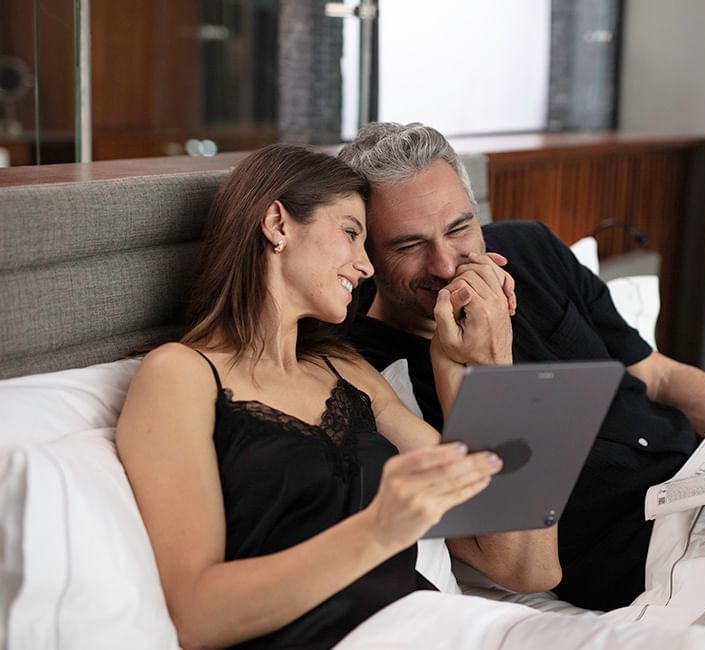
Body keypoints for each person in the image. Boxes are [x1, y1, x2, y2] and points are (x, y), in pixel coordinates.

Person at [338, 122, 705, 611]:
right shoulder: (360, 370)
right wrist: (485, 366)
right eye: (409, 246)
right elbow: (520, 566)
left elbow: (659, 375)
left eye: (460, 229)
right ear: (366, 254)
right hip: (652, 553)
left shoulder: (529, 249)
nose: (447, 265)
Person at [115, 144, 559, 649]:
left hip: (434, 626)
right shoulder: (178, 374)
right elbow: (197, 616)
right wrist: (380, 529)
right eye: (351, 233)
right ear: (278, 224)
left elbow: (530, 562)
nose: (366, 266)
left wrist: (477, 365)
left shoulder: (345, 367)